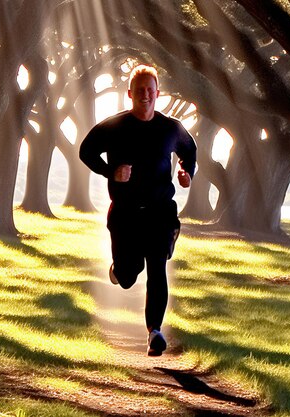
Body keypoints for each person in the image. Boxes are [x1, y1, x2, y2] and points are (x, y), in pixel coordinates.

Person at [79, 65, 197, 356]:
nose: (145, 95)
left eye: (150, 90)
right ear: (130, 93)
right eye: (139, 90)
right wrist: (111, 171)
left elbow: (189, 151)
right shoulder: (114, 127)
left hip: (159, 211)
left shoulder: (171, 128)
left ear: (158, 93)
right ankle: (119, 270)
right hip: (124, 214)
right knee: (130, 274)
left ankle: (154, 332)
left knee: (157, 268)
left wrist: (187, 173)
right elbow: (86, 151)